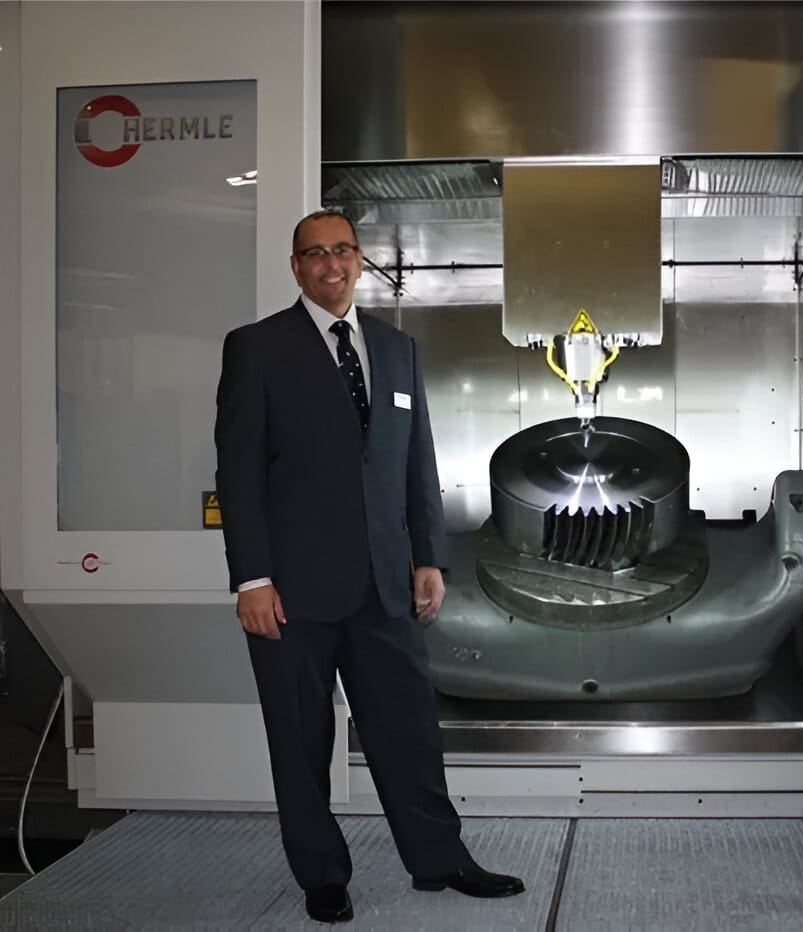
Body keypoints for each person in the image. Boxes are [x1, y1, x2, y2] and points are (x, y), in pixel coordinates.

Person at [214, 209, 524, 923]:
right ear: (296, 267)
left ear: (361, 260)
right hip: (290, 591)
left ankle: (440, 860)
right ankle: (322, 875)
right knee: (300, 739)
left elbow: (417, 463)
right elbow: (238, 473)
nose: (331, 265)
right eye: (315, 254)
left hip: (386, 584)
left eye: (343, 251)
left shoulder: (395, 348)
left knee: (410, 731)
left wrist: (428, 558)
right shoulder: (257, 349)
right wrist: (251, 579)